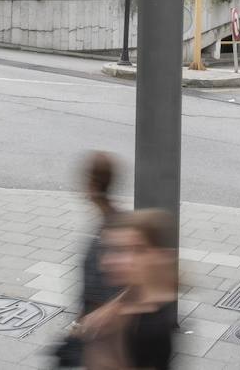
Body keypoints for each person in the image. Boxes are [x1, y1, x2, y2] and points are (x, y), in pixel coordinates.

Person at [79, 209, 176, 370]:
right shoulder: (141, 292)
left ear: (156, 256)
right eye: (107, 249)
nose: (107, 261)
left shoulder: (152, 328)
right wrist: (111, 309)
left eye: (122, 251)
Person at [57, 152, 123, 367]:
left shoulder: (108, 232)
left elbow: (100, 291)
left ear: (93, 185)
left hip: (103, 335)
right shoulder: (112, 220)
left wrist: (80, 325)